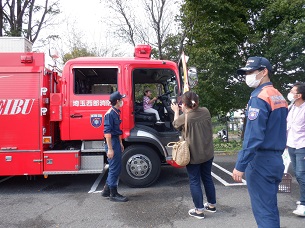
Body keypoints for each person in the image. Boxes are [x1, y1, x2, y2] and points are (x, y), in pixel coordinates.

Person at [232, 56, 288, 227]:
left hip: (261, 161)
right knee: (269, 208)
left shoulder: (259, 97)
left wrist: (240, 165)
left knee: (264, 211)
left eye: (250, 72)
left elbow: (253, 136)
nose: (246, 76)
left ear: (264, 72)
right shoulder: (278, 96)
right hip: (276, 158)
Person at [171, 91, 216, 219]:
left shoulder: (185, 117)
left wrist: (176, 110)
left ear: (184, 104)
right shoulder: (206, 111)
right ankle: (211, 205)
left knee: (195, 181)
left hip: (193, 155)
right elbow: (194, 112)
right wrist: (186, 109)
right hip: (208, 153)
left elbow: (175, 124)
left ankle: (199, 210)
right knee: (207, 178)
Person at [101, 91, 128, 202]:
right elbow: (107, 132)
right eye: (121, 99)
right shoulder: (110, 114)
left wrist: (121, 143)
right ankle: (113, 194)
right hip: (112, 143)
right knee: (114, 169)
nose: (122, 101)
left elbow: (117, 131)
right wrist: (110, 149)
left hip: (116, 141)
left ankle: (106, 191)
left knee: (115, 167)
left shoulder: (116, 112)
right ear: (117, 101)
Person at [286, 82, 305, 216]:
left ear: (299, 95)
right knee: (299, 175)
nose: (290, 93)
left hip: (302, 146)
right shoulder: (291, 107)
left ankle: (303, 204)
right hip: (291, 145)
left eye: (293, 91)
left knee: (300, 174)